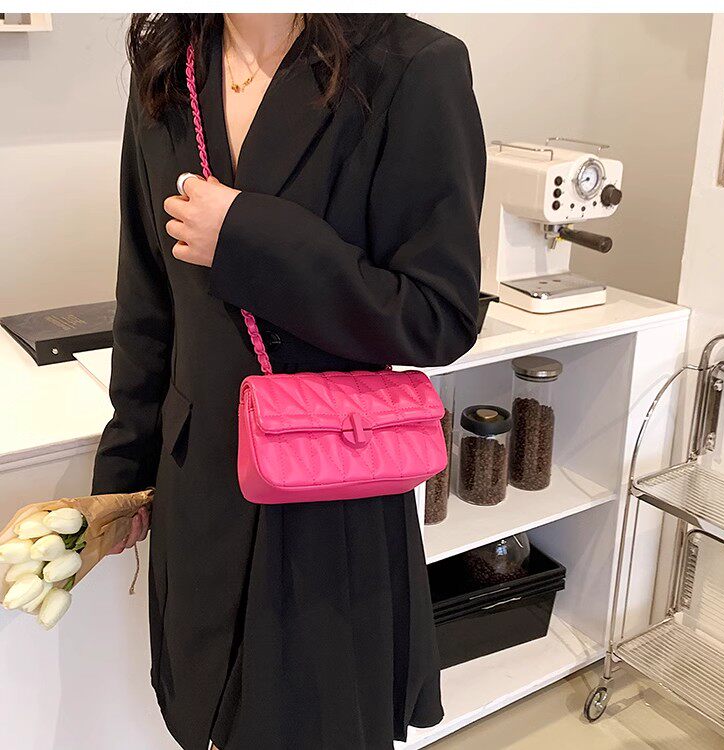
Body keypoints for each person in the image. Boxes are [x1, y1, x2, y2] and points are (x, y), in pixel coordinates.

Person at [93, 12, 485, 750]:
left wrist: (249, 238)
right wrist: (124, 473)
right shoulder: (170, 67)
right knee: (205, 718)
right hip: (200, 489)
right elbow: (147, 301)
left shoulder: (409, 64)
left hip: (330, 500)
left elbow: (438, 315)